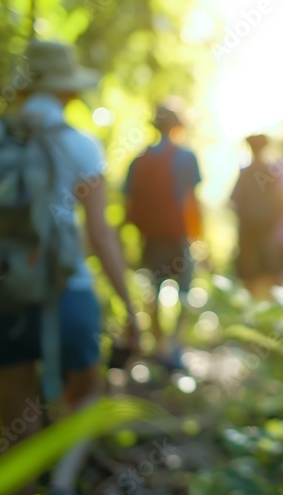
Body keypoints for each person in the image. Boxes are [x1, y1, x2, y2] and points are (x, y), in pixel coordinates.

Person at [0, 40, 139, 495]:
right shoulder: (81, 146)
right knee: (88, 397)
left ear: (23, 89)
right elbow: (102, 236)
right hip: (65, 295)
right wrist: (131, 308)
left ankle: (26, 489)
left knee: (17, 436)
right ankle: (65, 485)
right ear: (68, 92)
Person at [124, 100, 202, 369]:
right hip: (178, 238)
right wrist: (197, 238)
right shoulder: (186, 157)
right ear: (176, 127)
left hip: (150, 239)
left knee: (153, 290)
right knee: (185, 291)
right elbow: (191, 202)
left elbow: (129, 204)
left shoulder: (140, 160)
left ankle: (159, 345)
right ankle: (175, 345)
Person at [230, 134, 283, 298]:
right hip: (268, 233)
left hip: (249, 234)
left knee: (251, 278)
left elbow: (234, 201)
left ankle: (253, 317)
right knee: (274, 277)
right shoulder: (272, 171)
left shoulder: (245, 172)